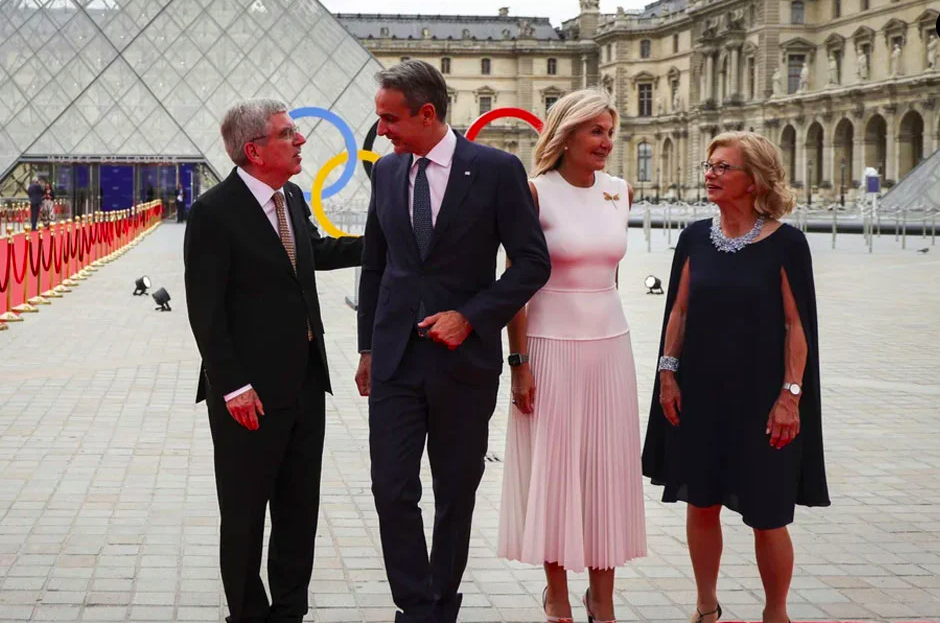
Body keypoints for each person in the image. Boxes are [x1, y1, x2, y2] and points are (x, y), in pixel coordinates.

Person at [355, 60, 550, 623]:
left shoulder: (496, 170)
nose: (382, 131)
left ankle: (440, 603)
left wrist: (470, 316)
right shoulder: (387, 172)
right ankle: (417, 607)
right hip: (395, 358)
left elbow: (532, 263)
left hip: (463, 360)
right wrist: (367, 347)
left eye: (390, 119)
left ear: (427, 113)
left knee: (455, 491)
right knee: (391, 488)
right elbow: (375, 265)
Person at [183, 99, 363, 623]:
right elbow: (205, 311)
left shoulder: (292, 198)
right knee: (244, 515)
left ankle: (289, 612)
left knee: (298, 510)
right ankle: (246, 613)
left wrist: (380, 240)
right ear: (255, 150)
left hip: (306, 382)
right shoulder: (214, 212)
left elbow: (314, 253)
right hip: (249, 394)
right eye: (287, 134)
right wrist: (232, 385)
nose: (300, 140)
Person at [642, 131, 829, 623]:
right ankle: (706, 606)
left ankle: (776, 614)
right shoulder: (693, 238)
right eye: (709, 166)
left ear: (755, 180)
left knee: (768, 514)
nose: (710, 174)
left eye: (723, 167)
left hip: (762, 398)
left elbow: (797, 326)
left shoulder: (787, 243)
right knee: (701, 503)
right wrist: (667, 376)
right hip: (700, 392)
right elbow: (678, 312)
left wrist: (790, 395)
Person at [497, 89, 646, 623]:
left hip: (610, 349)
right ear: (566, 135)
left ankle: (602, 600)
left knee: (607, 471)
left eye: (610, 132)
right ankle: (557, 596)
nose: (606, 142)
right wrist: (518, 364)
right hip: (548, 347)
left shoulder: (621, 191)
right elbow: (516, 283)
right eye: (595, 131)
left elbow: (611, 275)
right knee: (556, 471)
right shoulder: (535, 193)